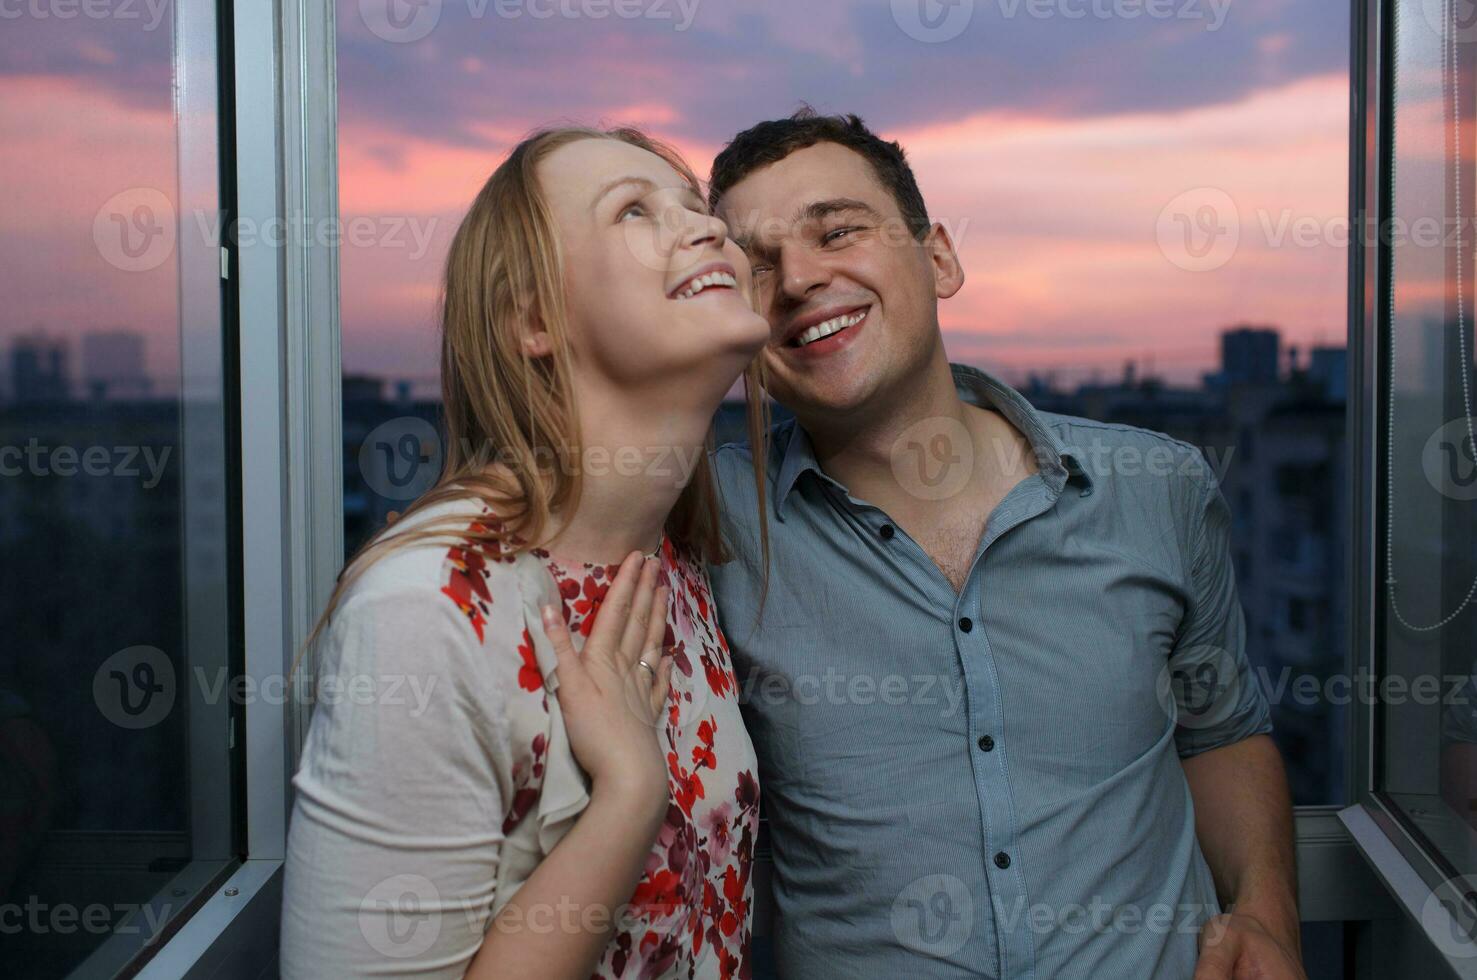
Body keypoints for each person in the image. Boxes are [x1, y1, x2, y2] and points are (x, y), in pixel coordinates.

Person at [705, 109, 1305, 979]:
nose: (796, 278)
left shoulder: (1154, 488)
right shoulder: (705, 522)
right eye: (753, 268)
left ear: (939, 257)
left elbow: (1220, 731)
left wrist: (1267, 911)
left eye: (836, 230)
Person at [281, 125, 770, 979]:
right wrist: (627, 795)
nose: (708, 228)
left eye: (696, 207)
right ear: (533, 321)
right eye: (633, 210)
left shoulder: (669, 569)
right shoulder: (425, 612)